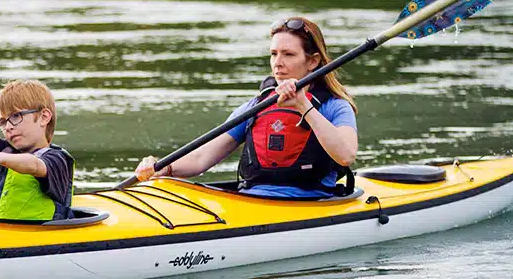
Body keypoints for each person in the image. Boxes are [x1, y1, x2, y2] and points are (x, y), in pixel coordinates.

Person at [135, 17, 358, 198]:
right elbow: (202, 157)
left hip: (311, 205)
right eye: (274, 54)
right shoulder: (256, 106)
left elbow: (346, 156)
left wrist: (303, 106)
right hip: (252, 202)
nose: (277, 63)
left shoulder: (335, 107)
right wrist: (166, 168)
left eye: (288, 54)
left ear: (313, 61)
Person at [0, 76, 74, 220]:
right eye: (3, 122)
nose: (8, 127)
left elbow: (35, 165)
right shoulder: (4, 149)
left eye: (16, 116)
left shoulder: (57, 160)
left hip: (35, 235)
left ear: (44, 117)